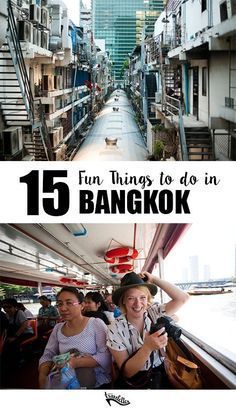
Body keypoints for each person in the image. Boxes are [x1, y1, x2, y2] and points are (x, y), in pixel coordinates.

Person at [107, 271, 189, 389]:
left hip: (161, 371)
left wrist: (154, 279)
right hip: (135, 380)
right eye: (131, 298)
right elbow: (127, 372)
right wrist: (147, 348)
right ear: (123, 300)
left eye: (142, 297)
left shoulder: (154, 313)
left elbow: (183, 298)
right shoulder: (114, 328)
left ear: (148, 299)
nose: (138, 304)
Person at [38, 287, 112, 389]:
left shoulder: (95, 324)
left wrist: (75, 363)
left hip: (93, 380)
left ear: (81, 305)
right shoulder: (58, 328)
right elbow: (48, 354)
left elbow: (106, 356)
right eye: (60, 304)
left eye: (69, 303)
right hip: (65, 380)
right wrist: (42, 375)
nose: (63, 308)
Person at [1, 298, 34, 387]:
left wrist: (15, 337)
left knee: (13, 344)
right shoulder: (7, 315)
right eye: (4, 307)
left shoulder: (19, 313)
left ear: (15, 307)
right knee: (5, 343)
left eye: (9, 307)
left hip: (26, 333)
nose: (6, 309)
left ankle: (16, 362)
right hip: (17, 333)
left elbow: (24, 325)